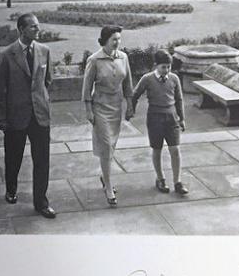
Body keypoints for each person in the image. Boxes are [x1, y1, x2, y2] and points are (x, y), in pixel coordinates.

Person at [0, 13, 57, 219]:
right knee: (13, 158)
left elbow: (48, 80)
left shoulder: (45, 51)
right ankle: (11, 189)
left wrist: (40, 100)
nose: (38, 30)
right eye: (33, 27)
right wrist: (0, 117)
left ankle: (41, 202)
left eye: (38, 26)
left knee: (42, 161)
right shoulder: (6, 54)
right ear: (21, 30)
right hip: (15, 117)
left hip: (40, 115)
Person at [81, 25, 134, 207]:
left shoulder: (123, 57)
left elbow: (128, 83)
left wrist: (130, 105)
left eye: (119, 39)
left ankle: (105, 177)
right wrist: (88, 110)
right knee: (106, 146)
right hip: (100, 107)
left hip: (116, 107)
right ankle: (109, 187)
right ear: (105, 40)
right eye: (114, 39)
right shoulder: (94, 60)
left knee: (112, 145)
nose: (117, 42)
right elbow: (86, 87)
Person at [129, 50, 190, 195]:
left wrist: (182, 118)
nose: (166, 70)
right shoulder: (147, 79)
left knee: (175, 150)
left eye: (169, 67)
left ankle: (178, 181)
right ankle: (160, 178)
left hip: (172, 118)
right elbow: (135, 95)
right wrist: (131, 110)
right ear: (156, 66)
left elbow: (179, 99)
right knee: (157, 149)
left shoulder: (174, 79)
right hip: (155, 118)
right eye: (163, 67)